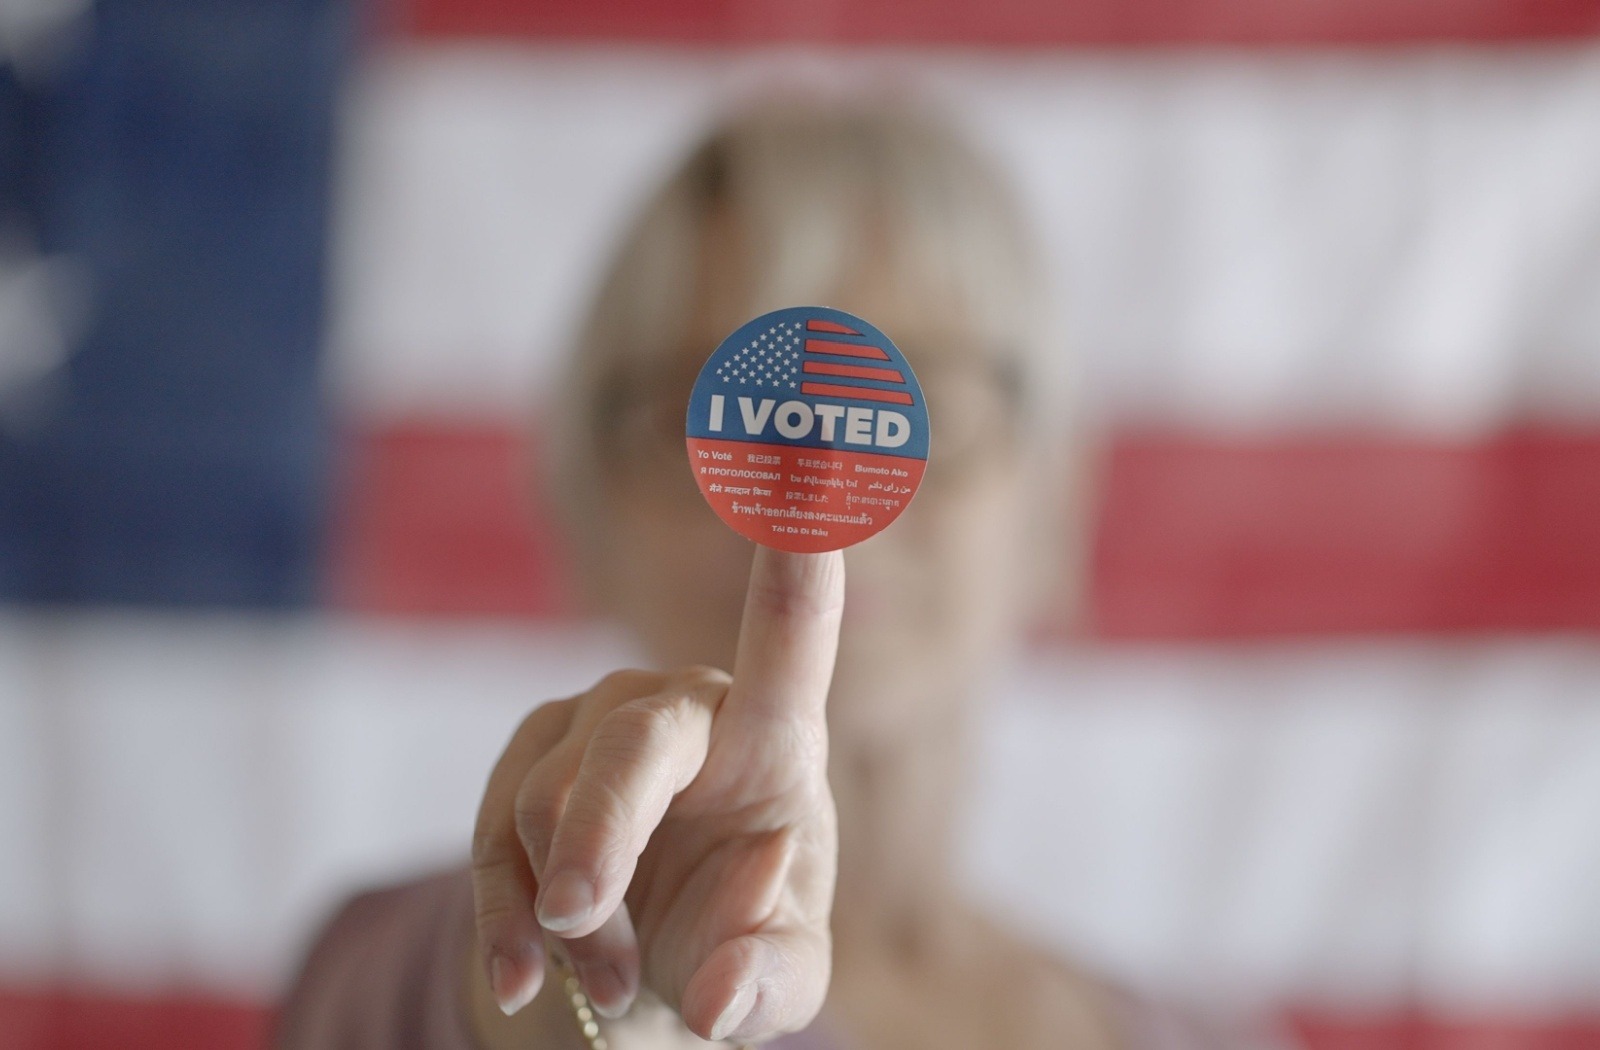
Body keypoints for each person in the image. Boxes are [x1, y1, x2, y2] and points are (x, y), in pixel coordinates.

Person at [277, 99, 1282, 1050]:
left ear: (1054, 508)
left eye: (902, 396)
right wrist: (607, 975)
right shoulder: (397, 966)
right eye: (727, 409)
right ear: (585, 521)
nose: (817, 482)